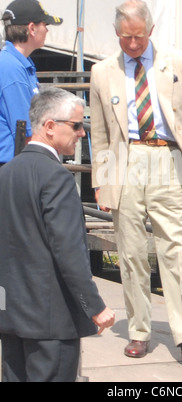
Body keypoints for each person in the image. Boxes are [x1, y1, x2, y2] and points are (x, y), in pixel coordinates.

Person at [90, 0, 182, 359]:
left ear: (151, 31)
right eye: (126, 37)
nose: (132, 44)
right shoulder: (101, 72)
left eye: (139, 36)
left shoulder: (178, 62)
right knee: (129, 251)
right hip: (124, 158)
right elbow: (99, 133)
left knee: (175, 246)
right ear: (116, 33)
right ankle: (139, 330)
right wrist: (102, 180)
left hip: (167, 155)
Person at [0, 87, 115, 382]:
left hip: (11, 314)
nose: (82, 133)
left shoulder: (6, 173)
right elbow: (68, 251)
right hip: (51, 320)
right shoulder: (57, 177)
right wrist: (95, 306)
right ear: (50, 126)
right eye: (76, 125)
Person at [0, 0, 63, 166]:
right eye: (45, 25)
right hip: (10, 165)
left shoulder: (18, 64)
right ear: (32, 28)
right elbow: (26, 131)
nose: (47, 30)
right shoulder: (12, 67)